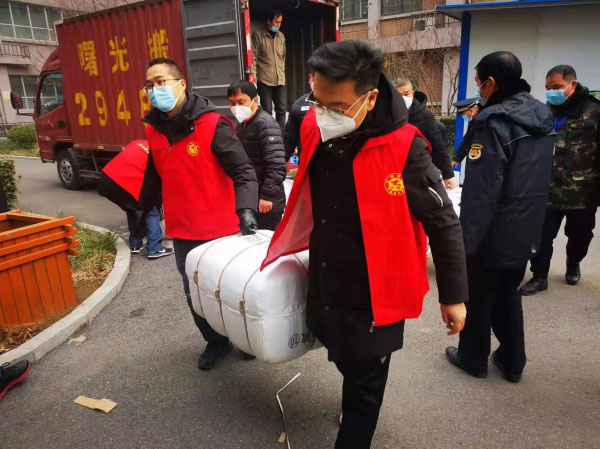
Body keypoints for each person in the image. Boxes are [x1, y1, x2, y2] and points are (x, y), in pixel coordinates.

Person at [261, 41, 468, 449]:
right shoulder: (316, 127)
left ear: (370, 98)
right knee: (342, 356)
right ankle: (353, 395)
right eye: (317, 102)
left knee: (366, 385)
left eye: (336, 107)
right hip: (328, 274)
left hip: (377, 290)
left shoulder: (405, 147)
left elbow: (443, 221)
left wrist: (454, 295)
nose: (323, 114)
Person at [142, 58, 259, 371]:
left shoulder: (213, 125)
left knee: (232, 293)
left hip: (223, 230)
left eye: (161, 81)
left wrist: (246, 209)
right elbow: (154, 173)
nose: (154, 89)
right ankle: (216, 342)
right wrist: (141, 211)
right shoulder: (153, 130)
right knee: (195, 294)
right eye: (149, 85)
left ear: (181, 85)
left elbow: (243, 171)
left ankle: (245, 339)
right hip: (183, 231)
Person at [445, 51, 555, 383]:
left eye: (478, 82)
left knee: (478, 296)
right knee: (508, 292)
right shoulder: (541, 116)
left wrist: (466, 242)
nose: (478, 89)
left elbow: (482, 192)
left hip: (494, 229)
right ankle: (512, 359)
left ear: (490, 83)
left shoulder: (493, 122)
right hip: (527, 224)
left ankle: (473, 358)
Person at [520, 65, 600, 295]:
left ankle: (573, 261)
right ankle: (539, 276)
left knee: (581, 237)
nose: (551, 92)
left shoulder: (594, 110)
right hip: (546, 189)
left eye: (556, 87)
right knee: (540, 237)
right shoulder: (545, 111)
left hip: (583, 192)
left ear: (572, 85)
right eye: (548, 88)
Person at [98, 140, 173, 259]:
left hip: (107, 181)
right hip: (128, 183)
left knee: (132, 209)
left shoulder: (138, 143)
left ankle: (135, 244)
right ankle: (155, 248)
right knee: (152, 212)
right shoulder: (163, 157)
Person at [227, 80, 286, 231]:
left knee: (266, 240)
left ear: (255, 100)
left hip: (266, 201)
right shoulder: (242, 125)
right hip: (253, 197)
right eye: (232, 103)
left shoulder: (265, 124)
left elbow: (276, 165)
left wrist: (267, 196)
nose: (236, 107)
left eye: (241, 102)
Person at [395, 78, 456, 189]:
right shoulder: (386, 117)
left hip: (417, 171)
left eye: (406, 94)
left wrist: (448, 175)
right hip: (394, 171)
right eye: (399, 95)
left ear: (413, 94)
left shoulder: (424, 117)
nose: (403, 99)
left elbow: (438, 145)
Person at [251, 10, 286, 130]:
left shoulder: (281, 36)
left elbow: (283, 57)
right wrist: (253, 76)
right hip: (264, 79)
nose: (278, 25)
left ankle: (281, 134)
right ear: (268, 21)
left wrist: (282, 73)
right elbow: (253, 57)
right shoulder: (258, 35)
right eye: (276, 22)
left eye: (280, 22)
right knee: (267, 110)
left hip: (279, 79)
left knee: (281, 109)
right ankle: (270, 133)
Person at [283, 73, 313, 160]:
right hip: (306, 163)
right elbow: (288, 141)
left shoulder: (341, 104)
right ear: (310, 78)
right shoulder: (299, 105)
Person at [451, 98, 480, 168]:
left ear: (471, 110)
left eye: (464, 114)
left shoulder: (485, 120)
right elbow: (467, 140)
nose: (464, 117)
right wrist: (457, 158)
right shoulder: (473, 121)